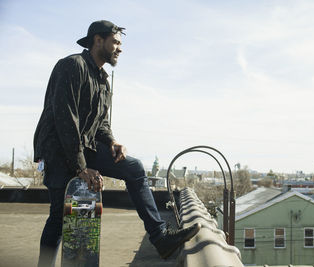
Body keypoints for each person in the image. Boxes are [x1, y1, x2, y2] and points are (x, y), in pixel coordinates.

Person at [34, 20, 200, 267]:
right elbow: (65, 119)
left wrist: (112, 141)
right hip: (58, 148)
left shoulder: (102, 79)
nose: (120, 49)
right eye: (116, 42)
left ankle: (161, 237)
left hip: (84, 147)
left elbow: (100, 122)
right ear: (98, 40)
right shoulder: (71, 66)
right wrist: (81, 167)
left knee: (133, 168)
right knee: (59, 216)